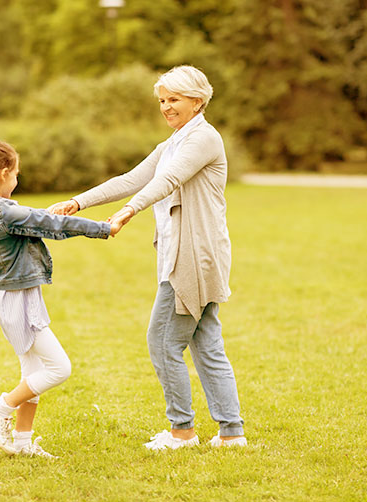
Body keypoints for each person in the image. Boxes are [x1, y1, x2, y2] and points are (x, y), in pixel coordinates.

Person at [49, 65, 246, 450]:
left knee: (162, 341)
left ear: (197, 101)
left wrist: (129, 210)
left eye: (174, 99)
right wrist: (78, 202)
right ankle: (231, 432)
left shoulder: (203, 139)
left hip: (193, 258)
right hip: (191, 254)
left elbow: (166, 181)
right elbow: (131, 179)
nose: (166, 107)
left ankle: (182, 432)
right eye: (162, 100)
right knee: (206, 342)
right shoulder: (174, 142)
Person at [0, 137, 114, 458]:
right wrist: (102, 228)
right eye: (16, 174)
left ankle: (23, 442)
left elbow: (31, 218)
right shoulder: (4, 213)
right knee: (59, 368)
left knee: (33, 372)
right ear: (3, 174)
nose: (17, 179)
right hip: (17, 301)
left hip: (10, 295)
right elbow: (50, 224)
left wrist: (47, 212)